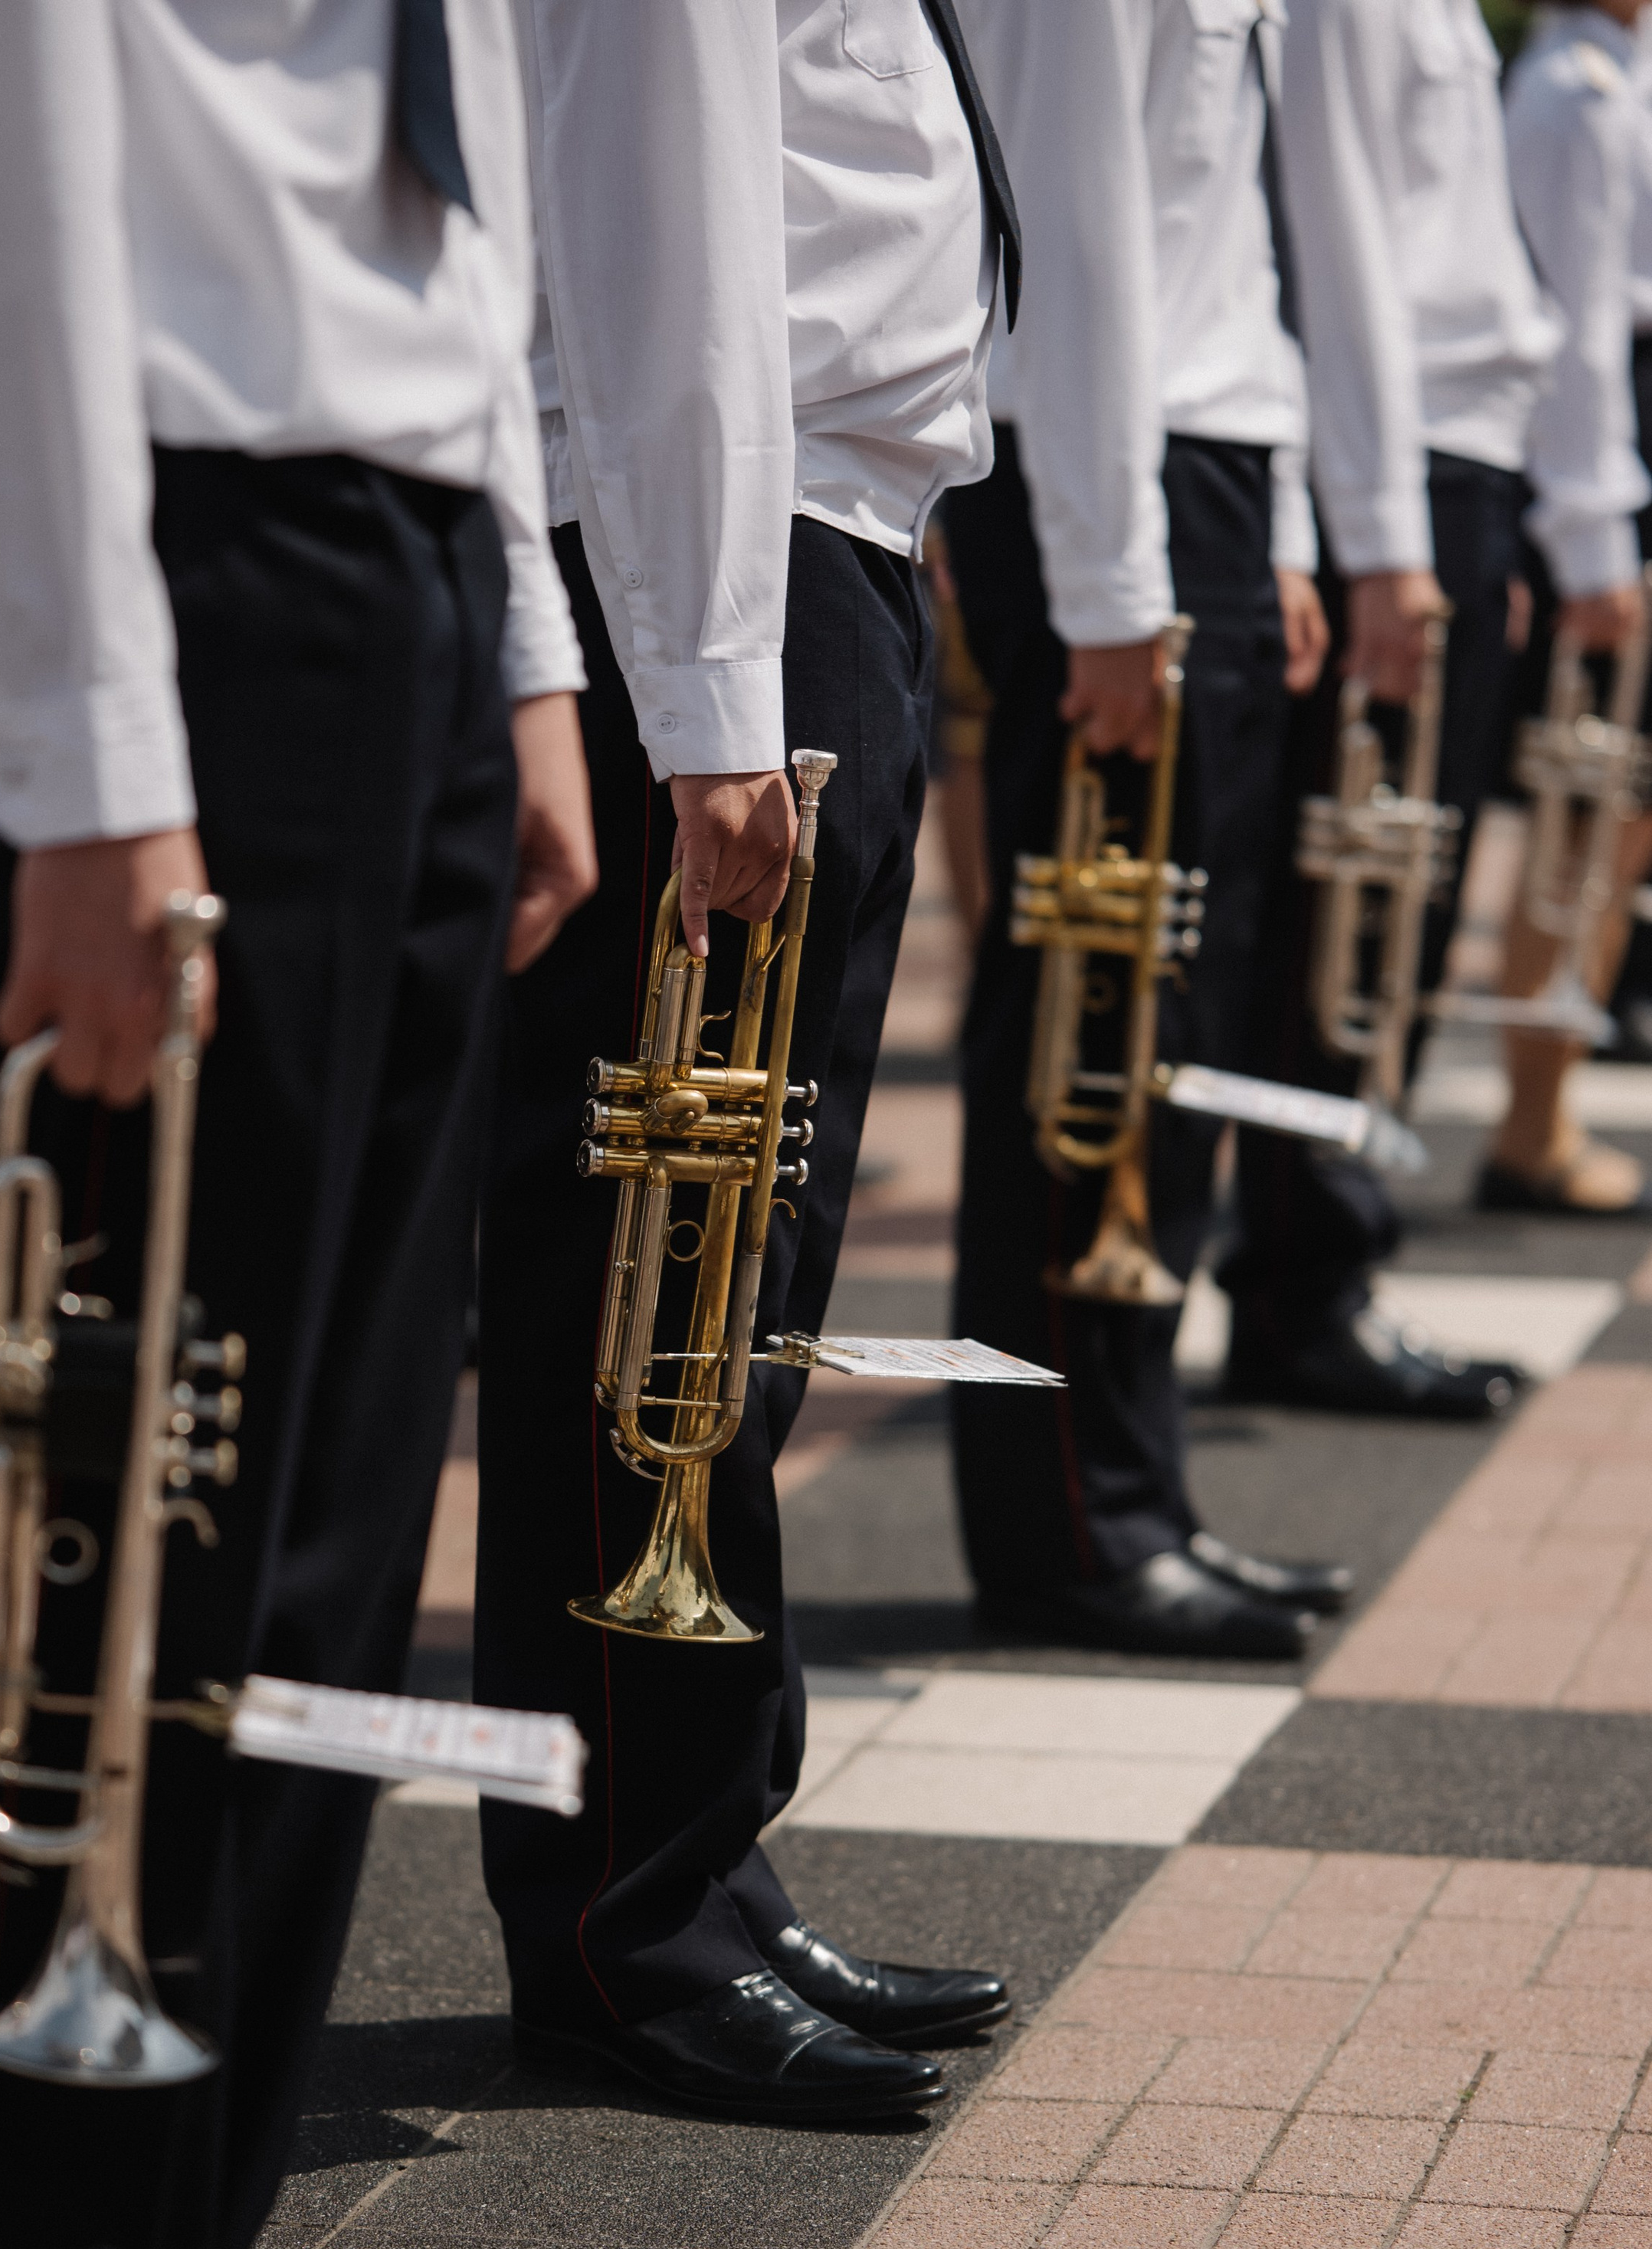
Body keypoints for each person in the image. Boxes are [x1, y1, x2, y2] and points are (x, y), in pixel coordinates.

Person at [0, 0, 597, 2249]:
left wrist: (515, 630)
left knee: (307, 1537)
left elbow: (458, 150)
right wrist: (78, 752)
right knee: (121, 1514)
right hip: (172, 548)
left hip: (379, 531)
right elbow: (21, 155)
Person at [471, 0, 1020, 2128]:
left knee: (740, 1283)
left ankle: (696, 1849)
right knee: (654, 1272)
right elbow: (661, 244)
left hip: (807, 540)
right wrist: (710, 692)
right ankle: (627, 1918)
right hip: (721, 564)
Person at [943, 0, 1350, 1661]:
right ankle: (1066, 1521)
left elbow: (1225, 231)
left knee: (1164, 1021)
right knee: (1088, 1016)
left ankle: (1134, 1484)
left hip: (1206, 459)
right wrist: (1115, 576)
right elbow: (1079, 229)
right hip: (1111, 477)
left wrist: (1292, 523)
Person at [1218, 0, 1565, 1410]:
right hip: (1403, 458)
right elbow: (1343, 235)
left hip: (1452, 459)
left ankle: (1328, 1264)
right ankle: (1304, 1281)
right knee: (1346, 919)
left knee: (1396, 909)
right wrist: (1384, 538)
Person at [1483, 0, 1652, 1215]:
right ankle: (1531, 1118)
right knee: (1587, 806)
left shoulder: (1611, 75)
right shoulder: (1575, 93)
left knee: (1616, 811)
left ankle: (1548, 1099)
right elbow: (1579, 332)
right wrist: (1595, 538)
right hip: (1601, 474)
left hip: (1621, 461)